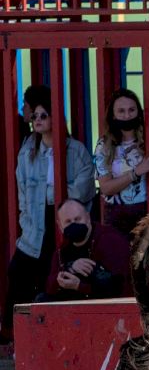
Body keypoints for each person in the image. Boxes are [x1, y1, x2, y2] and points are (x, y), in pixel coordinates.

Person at [2, 95, 97, 344]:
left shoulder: (75, 150)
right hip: (35, 224)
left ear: (56, 118)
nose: (38, 120)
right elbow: (22, 190)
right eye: (35, 116)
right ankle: (12, 335)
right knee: (18, 273)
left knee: (53, 275)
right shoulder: (27, 151)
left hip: (64, 220)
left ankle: (48, 335)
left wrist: (55, 196)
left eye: (43, 115)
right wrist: (25, 219)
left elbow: (86, 186)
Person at [93, 89, 149, 236]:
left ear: (139, 112)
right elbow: (106, 188)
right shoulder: (104, 145)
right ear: (113, 115)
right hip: (119, 216)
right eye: (121, 111)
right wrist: (136, 172)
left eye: (131, 110)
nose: (127, 115)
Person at [41, 199, 131, 301]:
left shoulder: (109, 240)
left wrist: (79, 286)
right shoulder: (62, 250)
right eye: (68, 222)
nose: (73, 224)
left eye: (77, 219)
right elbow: (50, 288)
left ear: (88, 217)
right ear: (60, 226)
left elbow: (119, 288)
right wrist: (69, 268)